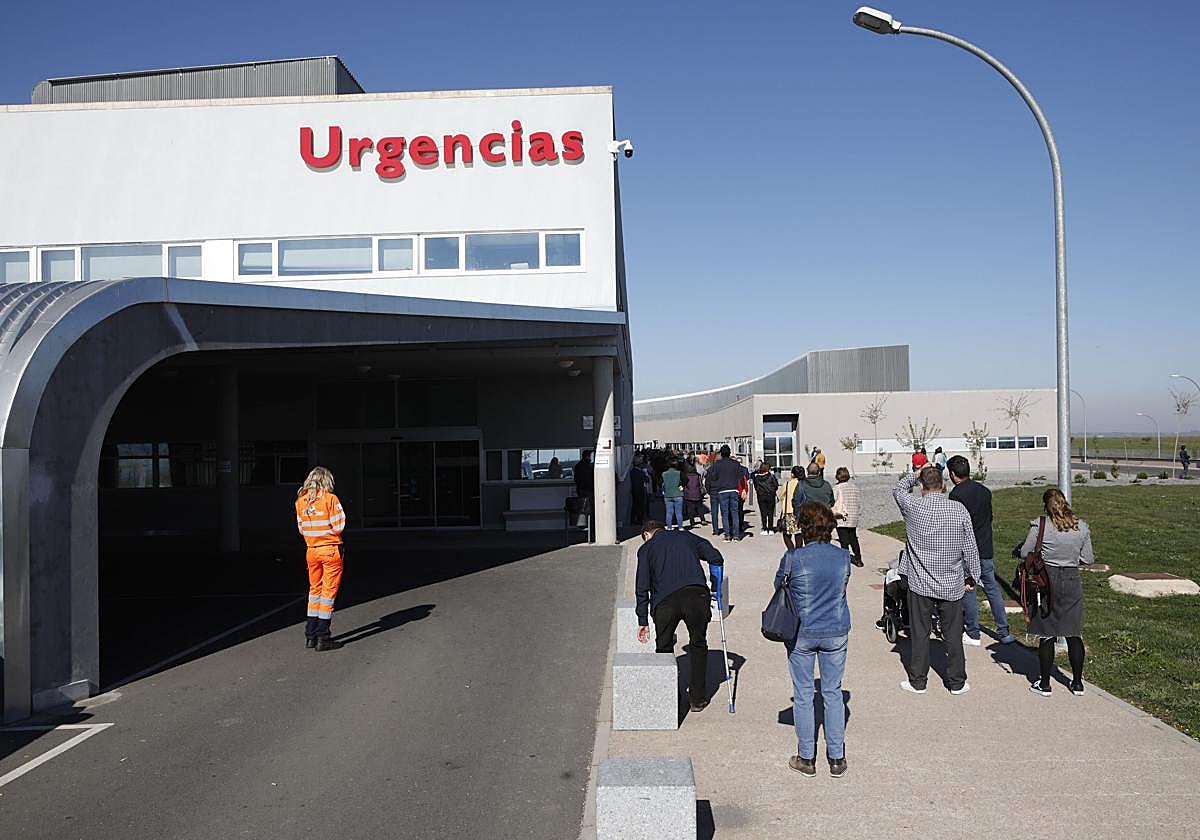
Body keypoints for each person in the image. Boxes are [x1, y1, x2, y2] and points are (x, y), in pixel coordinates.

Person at [778, 502, 852, 778]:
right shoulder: (843, 557)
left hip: (802, 631)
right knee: (833, 693)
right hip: (835, 628)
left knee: (804, 693)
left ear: (804, 527)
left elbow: (780, 588)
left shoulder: (793, 558)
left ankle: (806, 756)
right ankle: (836, 756)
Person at [892, 465, 981, 694]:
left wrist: (917, 472)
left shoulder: (913, 506)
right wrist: (973, 575)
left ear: (921, 487)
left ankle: (918, 681)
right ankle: (957, 682)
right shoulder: (958, 509)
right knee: (953, 634)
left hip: (920, 581)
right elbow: (970, 546)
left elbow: (899, 489)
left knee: (920, 634)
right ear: (942, 485)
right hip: (951, 582)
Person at [635, 520, 725, 712]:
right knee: (698, 643)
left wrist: (642, 619)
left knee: (664, 647)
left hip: (665, 601)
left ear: (646, 535)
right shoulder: (686, 536)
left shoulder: (647, 549)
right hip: (696, 594)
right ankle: (697, 698)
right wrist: (715, 586)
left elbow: (642, 586)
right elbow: (716, 557)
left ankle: (670, 697)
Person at [1017, 488, 1094, 697]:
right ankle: (1077, 683)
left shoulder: (1041, 525)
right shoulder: (1081, 526)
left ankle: (1045, 683)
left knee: (1047, 632)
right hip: (1071, 579)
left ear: (1046, 506)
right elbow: (1088, 559)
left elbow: (1026, 552)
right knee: (1073, 632)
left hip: (1047, 579)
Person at [947, 455, 1015, 646]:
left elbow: (956, 525)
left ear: (953, 474)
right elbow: (989, 517)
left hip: (968, 550)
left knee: (969, 589)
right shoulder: (984, 491)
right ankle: (1004, 631)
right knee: (992, 588)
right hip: (985, 546)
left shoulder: (956, 496)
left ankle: (973, 631)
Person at [295, 466, 347, 651]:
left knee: (314, 591)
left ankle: (310, 634)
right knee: (328, 594)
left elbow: (301, 529)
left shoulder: (301, 502)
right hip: (330, 549)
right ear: (327, 480)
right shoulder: (330, 499)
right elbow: (339, 525)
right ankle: (323, 637)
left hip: (311, 551)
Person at [705, 445, 743, 541]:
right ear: (730, 453)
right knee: (735, 513)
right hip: (734, 490)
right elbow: (741, 477)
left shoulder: (717, 464)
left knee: (725, 514)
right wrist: (742, 490)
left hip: (722, 490)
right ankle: (736, 535)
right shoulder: (736, 464)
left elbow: (713, 477)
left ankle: (727, 535)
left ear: (721, 453)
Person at [831, 467, 864, 567]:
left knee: (844, 540)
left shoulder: (837, 488)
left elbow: (833, 501)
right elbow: (858, 502)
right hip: (853, 516)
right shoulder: (854, 487)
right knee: (853, 538)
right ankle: (858, 559)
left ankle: (845, 560)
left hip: (842, 516)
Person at [780, 465, 806, 549]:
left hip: (789, 511)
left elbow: (782, 496)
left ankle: (791, 550)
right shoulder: (803, 483)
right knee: (798, 533)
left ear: (792, 474)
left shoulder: (787, 484)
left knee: (787, 533)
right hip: (800, 511)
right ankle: (798, 550)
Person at [753, 462, 780, 534]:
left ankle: (764, 528)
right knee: (770, 512)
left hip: (761, 496)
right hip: (770, 496)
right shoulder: (771, 476)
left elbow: (756, 487)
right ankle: (770, 529)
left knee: (763, 513)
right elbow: (776, 486)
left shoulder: (757, 477)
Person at [683, 461, 708, 527]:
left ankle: (692, 521)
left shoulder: (685, 476)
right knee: (699, 507)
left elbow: (684, 485)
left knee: (690, 509)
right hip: (697, 493)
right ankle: (702, 519)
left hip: (688, 494)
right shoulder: (697, 475)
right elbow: (700, 484)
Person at [662, 458, 685, 530]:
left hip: (668, 494)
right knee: (678, 512)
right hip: (678, 493)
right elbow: (686, 479)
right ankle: (680, 526)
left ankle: (669, 527)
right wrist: (681, 485)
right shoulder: (679, 473)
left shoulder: (664, 474)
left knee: (669, 512)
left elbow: (662, 483)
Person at [629, 455, 650, 526]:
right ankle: (639, 519)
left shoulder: (631, 472)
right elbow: (647, 480)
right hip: (640, 490)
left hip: (633, 490)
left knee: (634, 505)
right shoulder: (641, 472)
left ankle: (632, 519)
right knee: (640, 506)